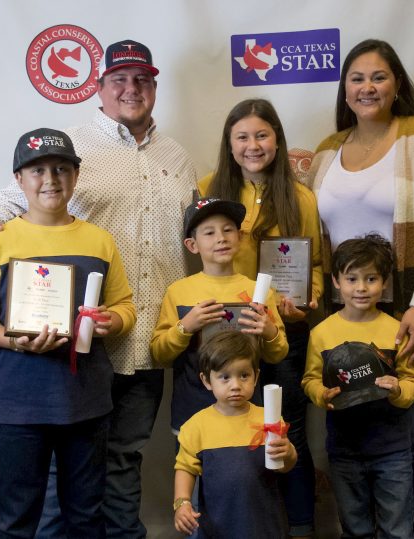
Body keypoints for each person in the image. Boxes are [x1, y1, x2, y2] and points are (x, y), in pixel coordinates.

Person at [0, 40, 197, 538]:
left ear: (154, 87)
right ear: (99, 88)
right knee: (52, 479)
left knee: (123, 461)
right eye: (120, 79)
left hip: (143, 336)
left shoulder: (178, 157)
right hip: (73, 350)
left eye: (142, 79)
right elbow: (9, 200)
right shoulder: (70, 146)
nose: (131, 89)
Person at [308, 39, 414, 538]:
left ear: (397, 83)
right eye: (356, 78)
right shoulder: (326, 152)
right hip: (346, 323)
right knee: (355, 436)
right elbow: (315, 237)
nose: (367, 86)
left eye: (378, 76)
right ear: (345, 89)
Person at [0, 128, 137, 538]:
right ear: (18, 180)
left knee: (87, 517)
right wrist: (10, 338)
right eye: (37, 170)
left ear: (75, 176)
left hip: (86, 403)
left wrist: (113, 321)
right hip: (22, 406)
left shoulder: (99, 241)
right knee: (17, 520)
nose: (50, 179)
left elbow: (125, 306)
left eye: (61, 169)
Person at [197, 98, 321, 537]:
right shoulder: (208, 188)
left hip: (282, 334)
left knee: (288, 438)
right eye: (242, 137)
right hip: (225, 336)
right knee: (228, 439)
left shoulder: (300, 197)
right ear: (230, 145)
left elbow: (316, 268)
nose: (253, 145)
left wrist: (305, 300)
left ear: (278, 140)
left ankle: (299, 528)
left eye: (262, 135)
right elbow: (198, 256)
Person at [302, 234, 414, 539]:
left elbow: (412, 382)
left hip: (392, 449)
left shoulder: (396, 331)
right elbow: (310, 380)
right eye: (352, 278)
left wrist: (397, 390)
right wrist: (320, 394)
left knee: (398, 529)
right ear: (336, 282)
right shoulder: (321, 333)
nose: (361, 287)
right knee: (355, 528)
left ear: (384, 283)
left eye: (371, 278)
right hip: (344, 451)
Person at [150, 197, 288, 434]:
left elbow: (278, 354)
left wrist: (269, 331)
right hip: (191, 413)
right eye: (209, 233)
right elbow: (160, 354)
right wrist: (185, 327)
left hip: (247, 414)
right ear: (192, 245)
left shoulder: (261, 291)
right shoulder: (179, 291)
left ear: (240, 237)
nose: (221, 238)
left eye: (227, 230)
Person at [174, 330, 297, 538]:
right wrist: (181, 503)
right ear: (206, 380)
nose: (235, 386)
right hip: (217, 524)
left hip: (264, 522)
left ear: (256, 376)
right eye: (224, 377)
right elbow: (185, 468)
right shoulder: (196, 426)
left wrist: (288, 452)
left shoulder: (269, 418)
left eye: (244, 375)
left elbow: (286, 466)